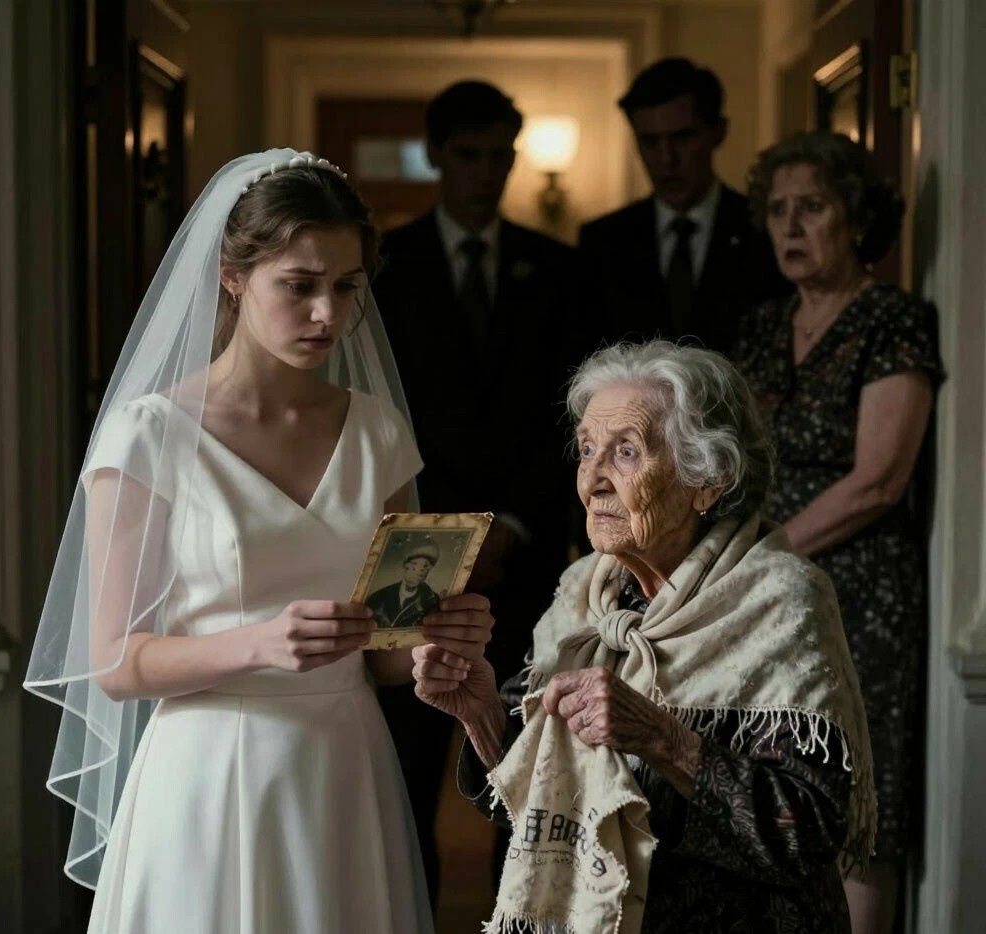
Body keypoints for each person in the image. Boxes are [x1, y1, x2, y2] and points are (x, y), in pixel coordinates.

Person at [23, 149, 494, 933]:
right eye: (300, 286)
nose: (327, 315)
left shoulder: (377, 432)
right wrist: (260, 644)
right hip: (209, 772)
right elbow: (115, 663)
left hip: (346, 766)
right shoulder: (149, 436)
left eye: (347, 287)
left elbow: (384, 652)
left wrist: (437, 642)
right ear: (233, 277)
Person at [412, 341, 877, 933]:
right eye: (587, 449)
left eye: (626, 452)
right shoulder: (581, 594)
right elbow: (529, 810)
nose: (593, 481)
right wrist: (481, 718)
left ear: (708, 479)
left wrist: (664, 739)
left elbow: (807, 836)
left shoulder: (780, 598)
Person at [731, 130, 944, 934]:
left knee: (856, 811)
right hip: (761, 601)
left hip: (856, 595)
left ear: (855, 218)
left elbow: (879, 481)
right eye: (778, 210)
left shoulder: (893, 319)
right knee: (762, 795)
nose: (791, 226)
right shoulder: (760, 326)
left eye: (812, 207)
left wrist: (760, 556)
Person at [374, 79, 574, 904]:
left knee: (524, 764)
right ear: (436, 156)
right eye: (469, 155)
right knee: (407, 767)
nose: (487, 173)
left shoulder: (559, 269)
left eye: (501, 156)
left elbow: (572, 416)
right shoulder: (385, 266)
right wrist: (438, 534)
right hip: (411, 550)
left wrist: (513, 526)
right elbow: (377, 414)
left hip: (524, 556)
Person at [577, 57, 786, 356]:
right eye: (650, 142)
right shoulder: (604, 242)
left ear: (718, 132)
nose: (667, 159)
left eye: (683, 137)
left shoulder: (764, 228)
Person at [366, 541, 442, 629]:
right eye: (414, 564)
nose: (419, 571)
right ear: (405, 565)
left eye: (425, 566)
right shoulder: (379, 597)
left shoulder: (433, 600)